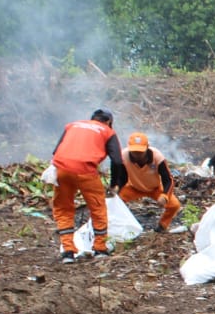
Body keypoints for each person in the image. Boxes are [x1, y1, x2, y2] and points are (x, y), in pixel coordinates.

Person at [50, 107, 125, 264]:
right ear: (109, 122)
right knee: (97, 209)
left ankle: (68, 252)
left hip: (62, 169)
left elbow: (56, 150)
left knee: (63, 209)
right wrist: (114, 184)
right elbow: (117, 161)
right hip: (86, 171)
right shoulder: (107, 131)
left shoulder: (72, 125)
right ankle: (100, 249)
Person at [117, 132, 183, 233]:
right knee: (116, 202)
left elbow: (168, 179)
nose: (137, 155)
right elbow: (122, 177)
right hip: (133, 187)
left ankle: (162, 226)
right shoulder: (123, 156)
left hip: (154, 188)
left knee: (174, 205)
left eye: (140, 152)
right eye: (134, 151)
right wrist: (116, 189)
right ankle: (119, 225)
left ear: (147, 147)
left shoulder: (157, 157)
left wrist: (164, 196)